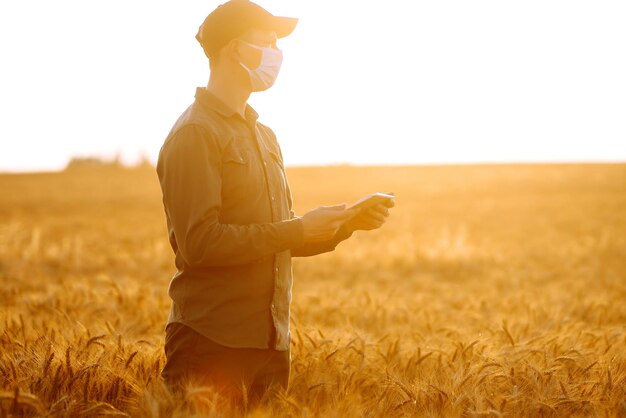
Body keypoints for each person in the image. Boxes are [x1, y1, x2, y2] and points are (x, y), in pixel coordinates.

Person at [156, 0, 394, 406]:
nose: (277, 55)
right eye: (267, 42)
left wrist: (345, 223)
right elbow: (201, 244)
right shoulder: (195, 134)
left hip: (269, 344)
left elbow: (272, 237)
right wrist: (298, 228)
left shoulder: (263, 135)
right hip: (211, 342)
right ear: (234, 49)